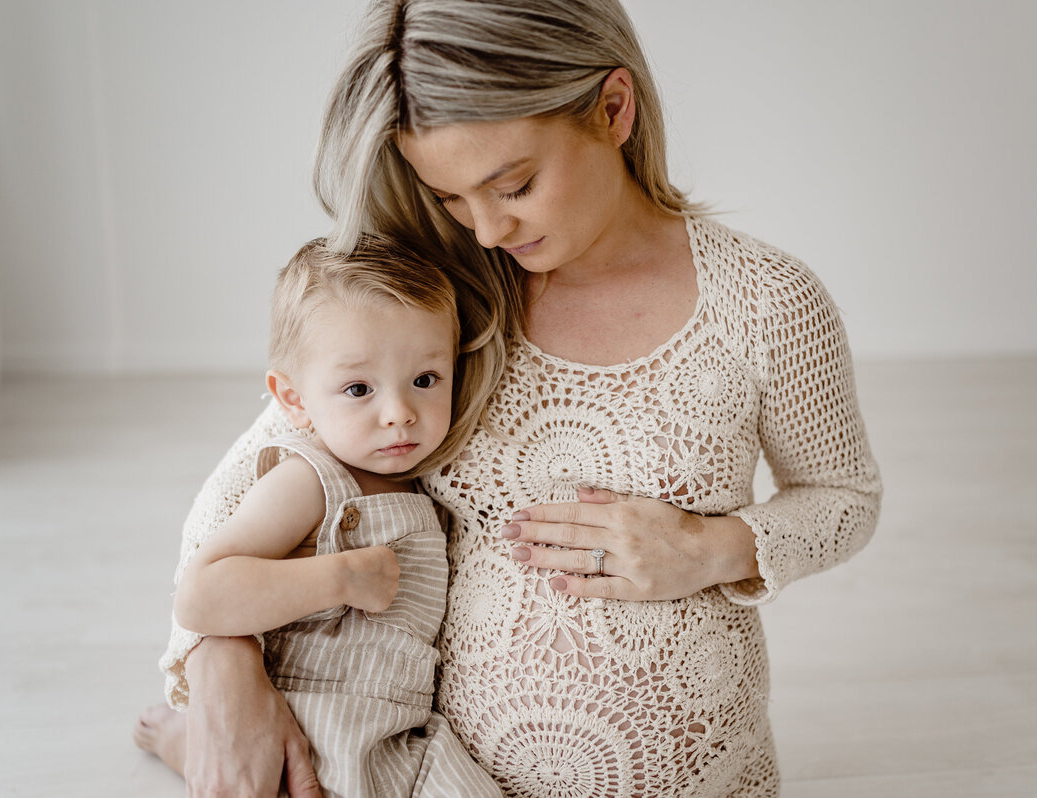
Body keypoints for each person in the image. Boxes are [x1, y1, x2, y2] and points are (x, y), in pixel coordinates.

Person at [136, 1, 883, 795]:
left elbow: (844, 497)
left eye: (513, 185)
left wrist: (712, 547)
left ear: (613, 108)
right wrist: (225, 660)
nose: (486, 230)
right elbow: (257, 473)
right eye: (453, 197)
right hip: (439, 773)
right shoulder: (435, 296)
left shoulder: (766, 301)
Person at [141, 237, 500, 797]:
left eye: (425, 380)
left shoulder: (432, 485)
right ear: (295, 399)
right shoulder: (309, 480)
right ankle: (181, 740)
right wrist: (342, 576)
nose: (400, 413)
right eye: (359, 389)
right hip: (309, 723)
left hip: (405, 734)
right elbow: (201, 595)